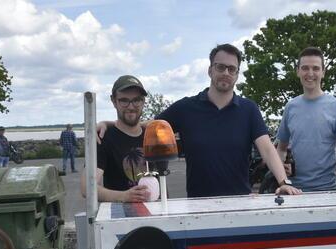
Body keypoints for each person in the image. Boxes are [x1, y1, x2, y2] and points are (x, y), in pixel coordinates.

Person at [98, 44, 298, 198]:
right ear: (210, 70)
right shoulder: (186, 108)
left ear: (237, 74)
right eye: (220, 67)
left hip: (240, 200)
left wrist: (284, 181)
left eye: (231, 69)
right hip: (197, 204)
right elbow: (149, 126)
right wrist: (109, 124)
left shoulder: (249, 110)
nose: (226, 73)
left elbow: (267, 149)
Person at [276, 47, 336, 191]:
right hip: (294, 191)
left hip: (327, 190)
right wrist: (281, 170)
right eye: (305, 68)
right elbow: (281, 149)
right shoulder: (290, 107)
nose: (310, 73)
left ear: (323, 72)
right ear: (298, 71)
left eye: (315, 68)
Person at [80, 75, 152, 203]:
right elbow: (87, 187)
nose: (131, 106)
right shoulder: (103, 138)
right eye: (124, 100)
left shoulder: (154, 134)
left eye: (137, 100)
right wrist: (123, 196)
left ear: (143, 101)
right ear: (113, 101)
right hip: (122, 218)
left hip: (160, 215)